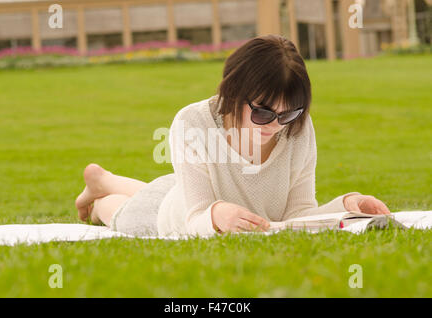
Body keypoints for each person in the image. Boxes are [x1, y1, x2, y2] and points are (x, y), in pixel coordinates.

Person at [75, 34, 390, 238]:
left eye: (288, 113)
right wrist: (215, 215)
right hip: (175, 212)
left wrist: (348, 205)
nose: (275, 126)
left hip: (195, 188)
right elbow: (194, 215)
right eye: (264, 112)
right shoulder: (193, 123)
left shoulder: (298, 127)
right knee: (118, 211)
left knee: (163, 187)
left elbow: (297, 217)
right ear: (234, 94)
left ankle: (105, 179)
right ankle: (100, 193)